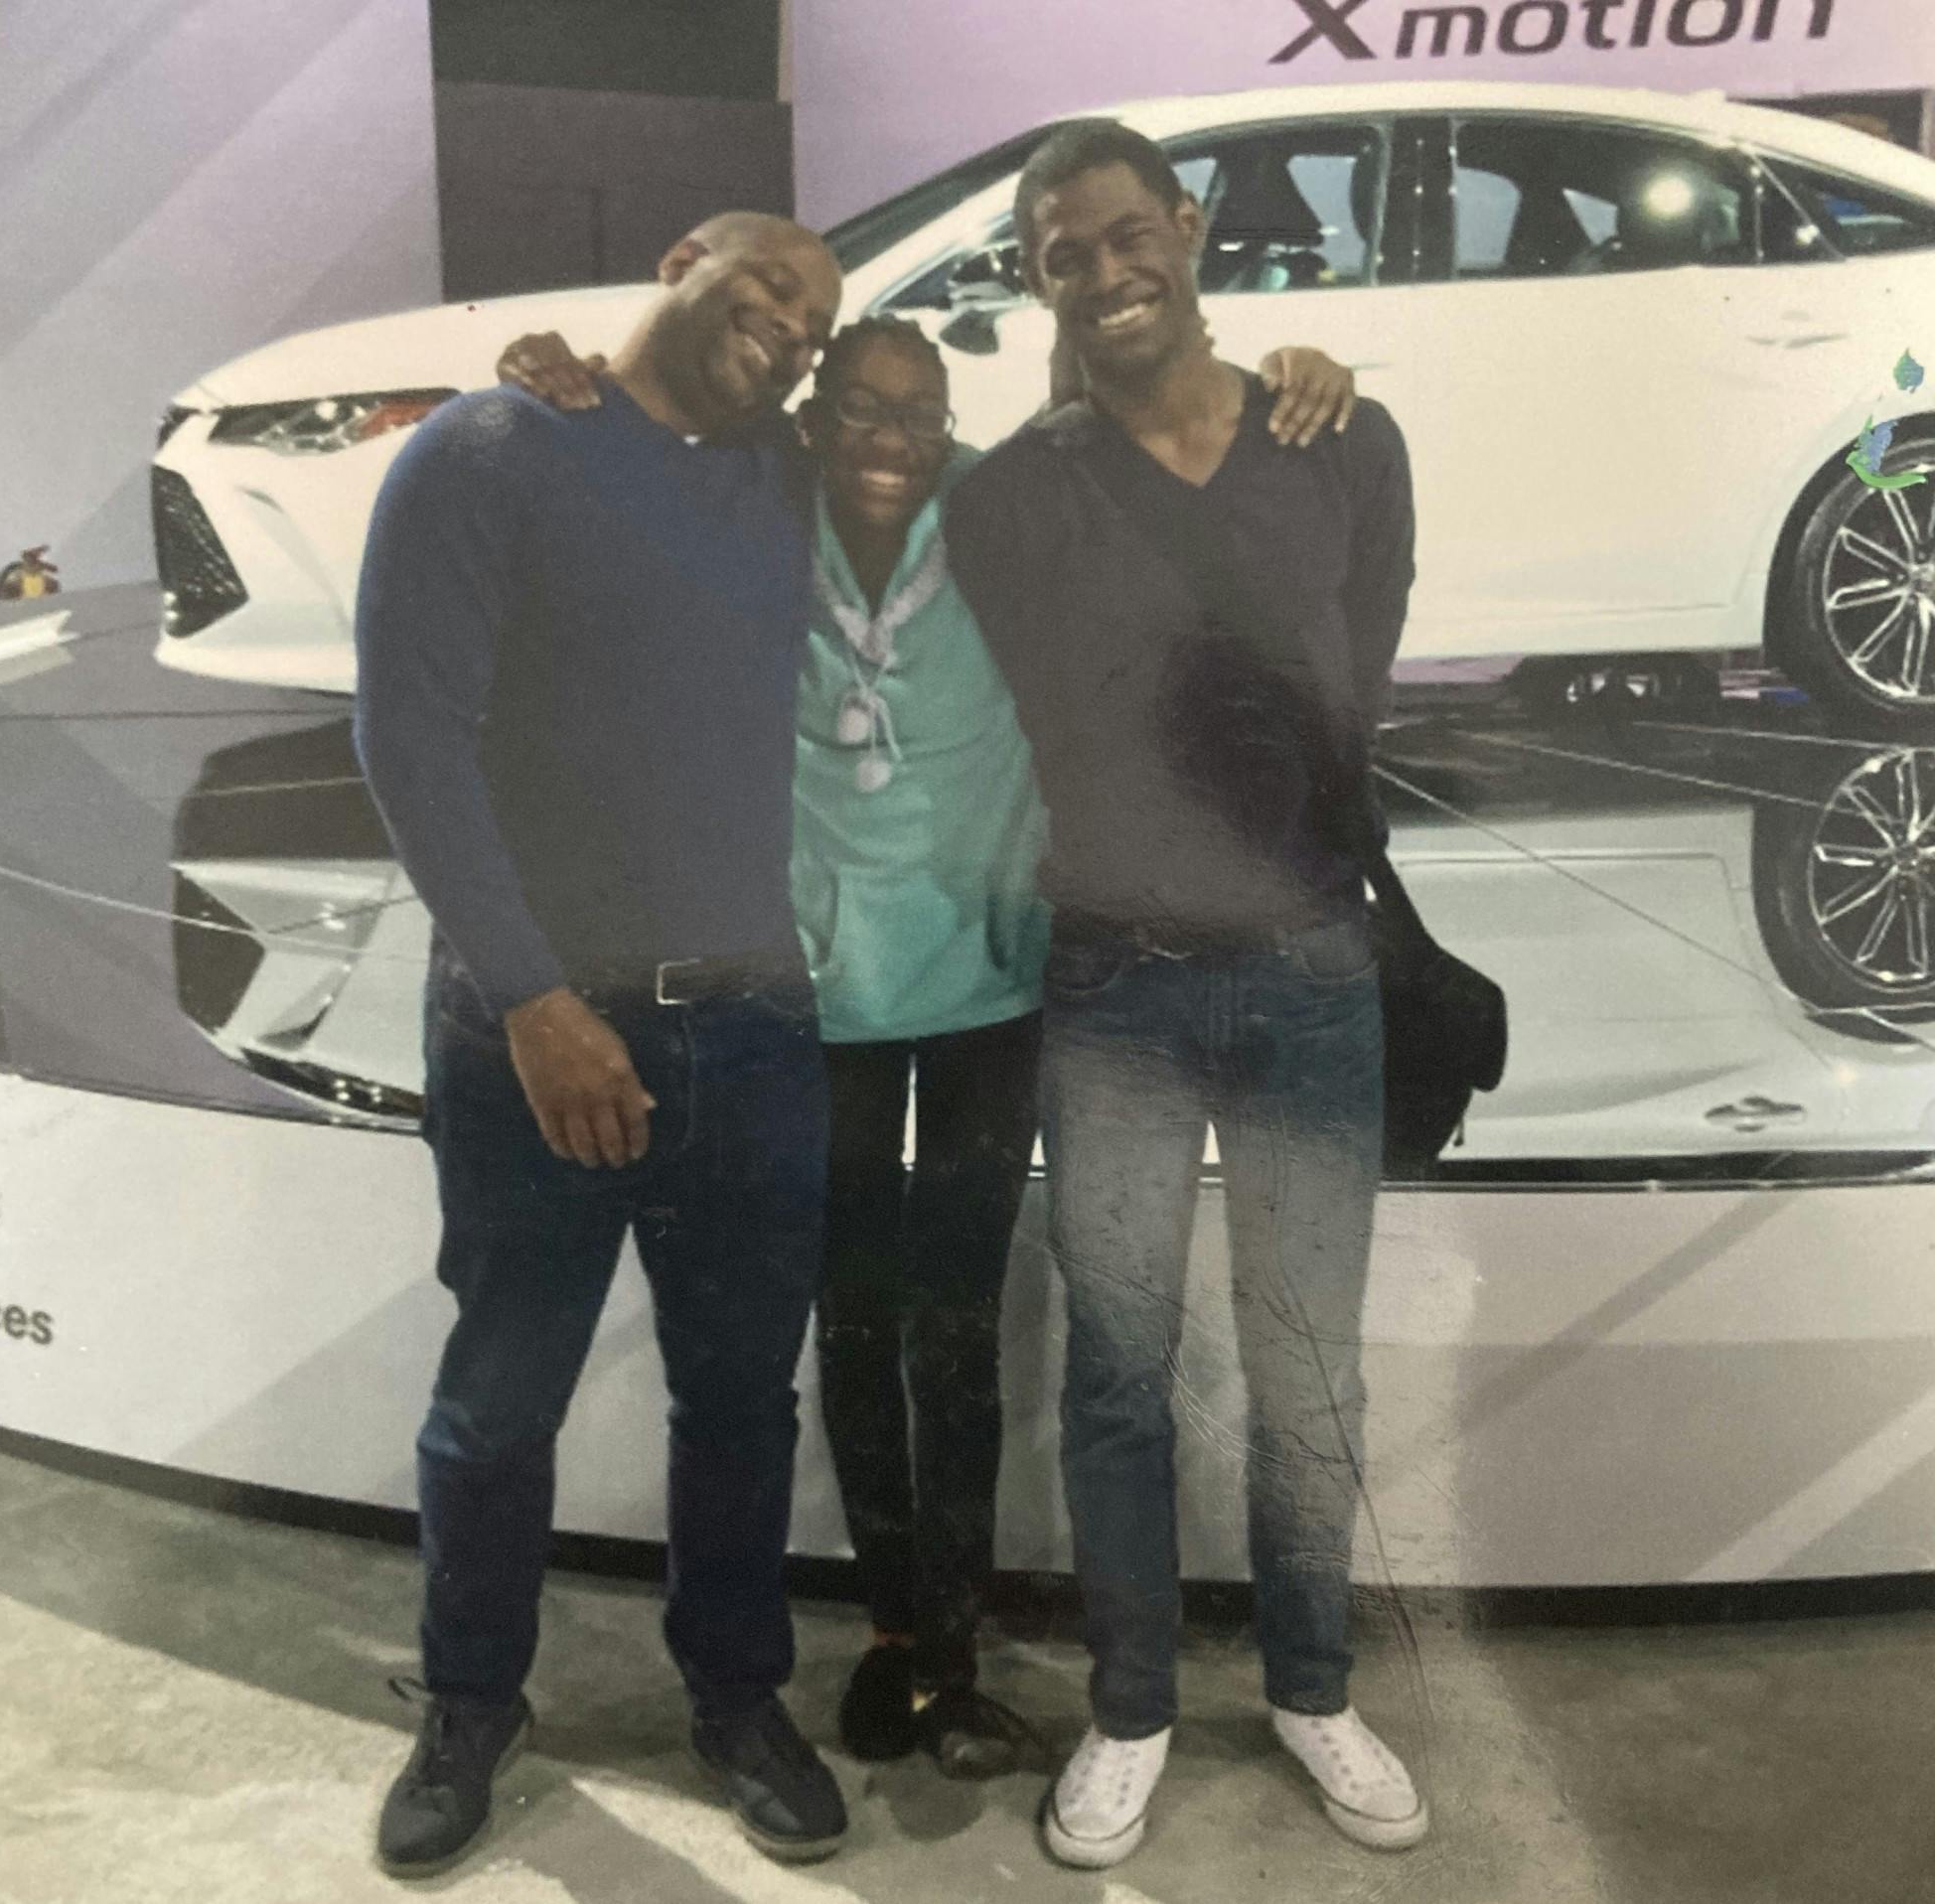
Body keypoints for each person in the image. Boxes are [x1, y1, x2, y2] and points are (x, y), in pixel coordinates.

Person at [498, 312, 1359, 1786]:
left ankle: (954, 1654)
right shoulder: (757, 502)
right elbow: (644, 447)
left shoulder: (998, 502)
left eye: (920, 412)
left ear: (952, 421)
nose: (890, 438)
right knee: (852, 1319)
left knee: (954, 1330)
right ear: (816, 416)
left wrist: (1296, 369)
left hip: (986, 985)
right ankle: (894, 1630)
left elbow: (1135, 454)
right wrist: (550, 376)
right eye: (861, 409)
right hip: (815, 995)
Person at [941, 119, 1424, 1868]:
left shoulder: (1341, 437)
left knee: (1309, 1373)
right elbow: (1015, 707)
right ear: (1036, 280)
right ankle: (1132, 1705)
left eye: (1126, 233)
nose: (1104, 271)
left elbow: (1362, 658)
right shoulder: (1006, 495)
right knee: (1119, 1373)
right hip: (1115, 991)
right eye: (1062, 255)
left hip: (1310, 971)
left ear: (1190, 228)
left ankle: (1313, 1687)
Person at [352, 211, 854, 1877]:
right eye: (770, 284)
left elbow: (941, 461)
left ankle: (736, 1695)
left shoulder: (784, 477)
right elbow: (408, 734)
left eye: (813, 324)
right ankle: (470, 1703)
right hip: (537, 1030)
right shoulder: (488, 450)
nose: (789, 327)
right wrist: (534, 996)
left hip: (754, 1024)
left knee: (741, 1401)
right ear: (683, 255)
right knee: (499, 1402)